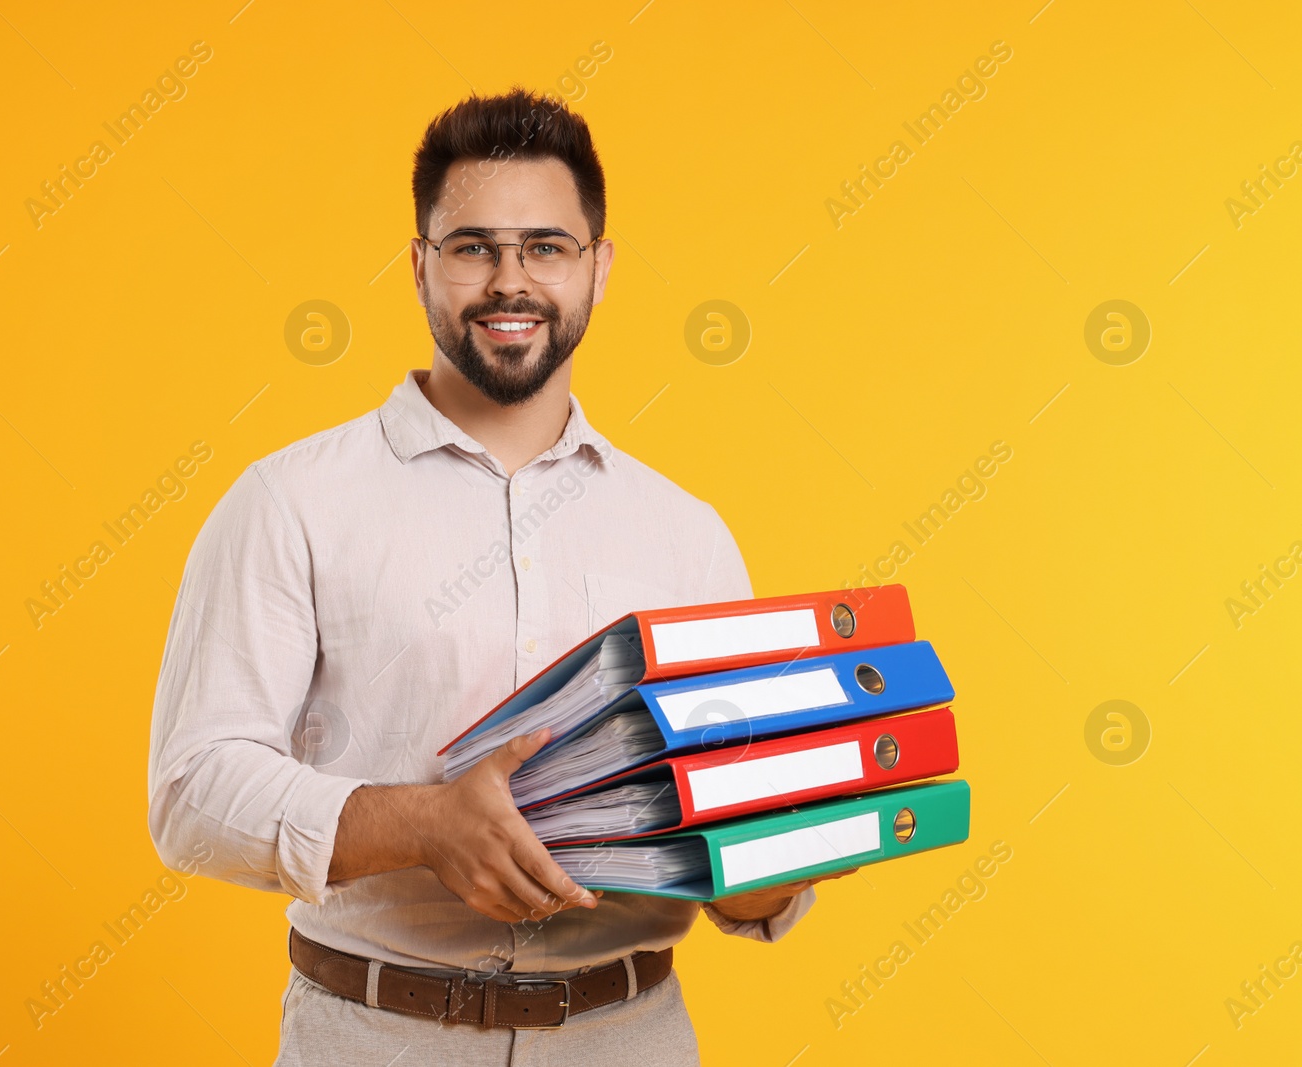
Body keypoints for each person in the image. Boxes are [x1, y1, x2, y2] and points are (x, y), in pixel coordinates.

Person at [148, 87, 848, 1066]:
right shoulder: (287, 502)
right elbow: (191, 791)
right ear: (419, 265)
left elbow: (748, 859)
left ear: (599, 270)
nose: (508, 281)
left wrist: (775, 861)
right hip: (373, 1038)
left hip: (631, 1039)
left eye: (546, 248)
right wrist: (421, 822)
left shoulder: (686, 533)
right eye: (473, 246)